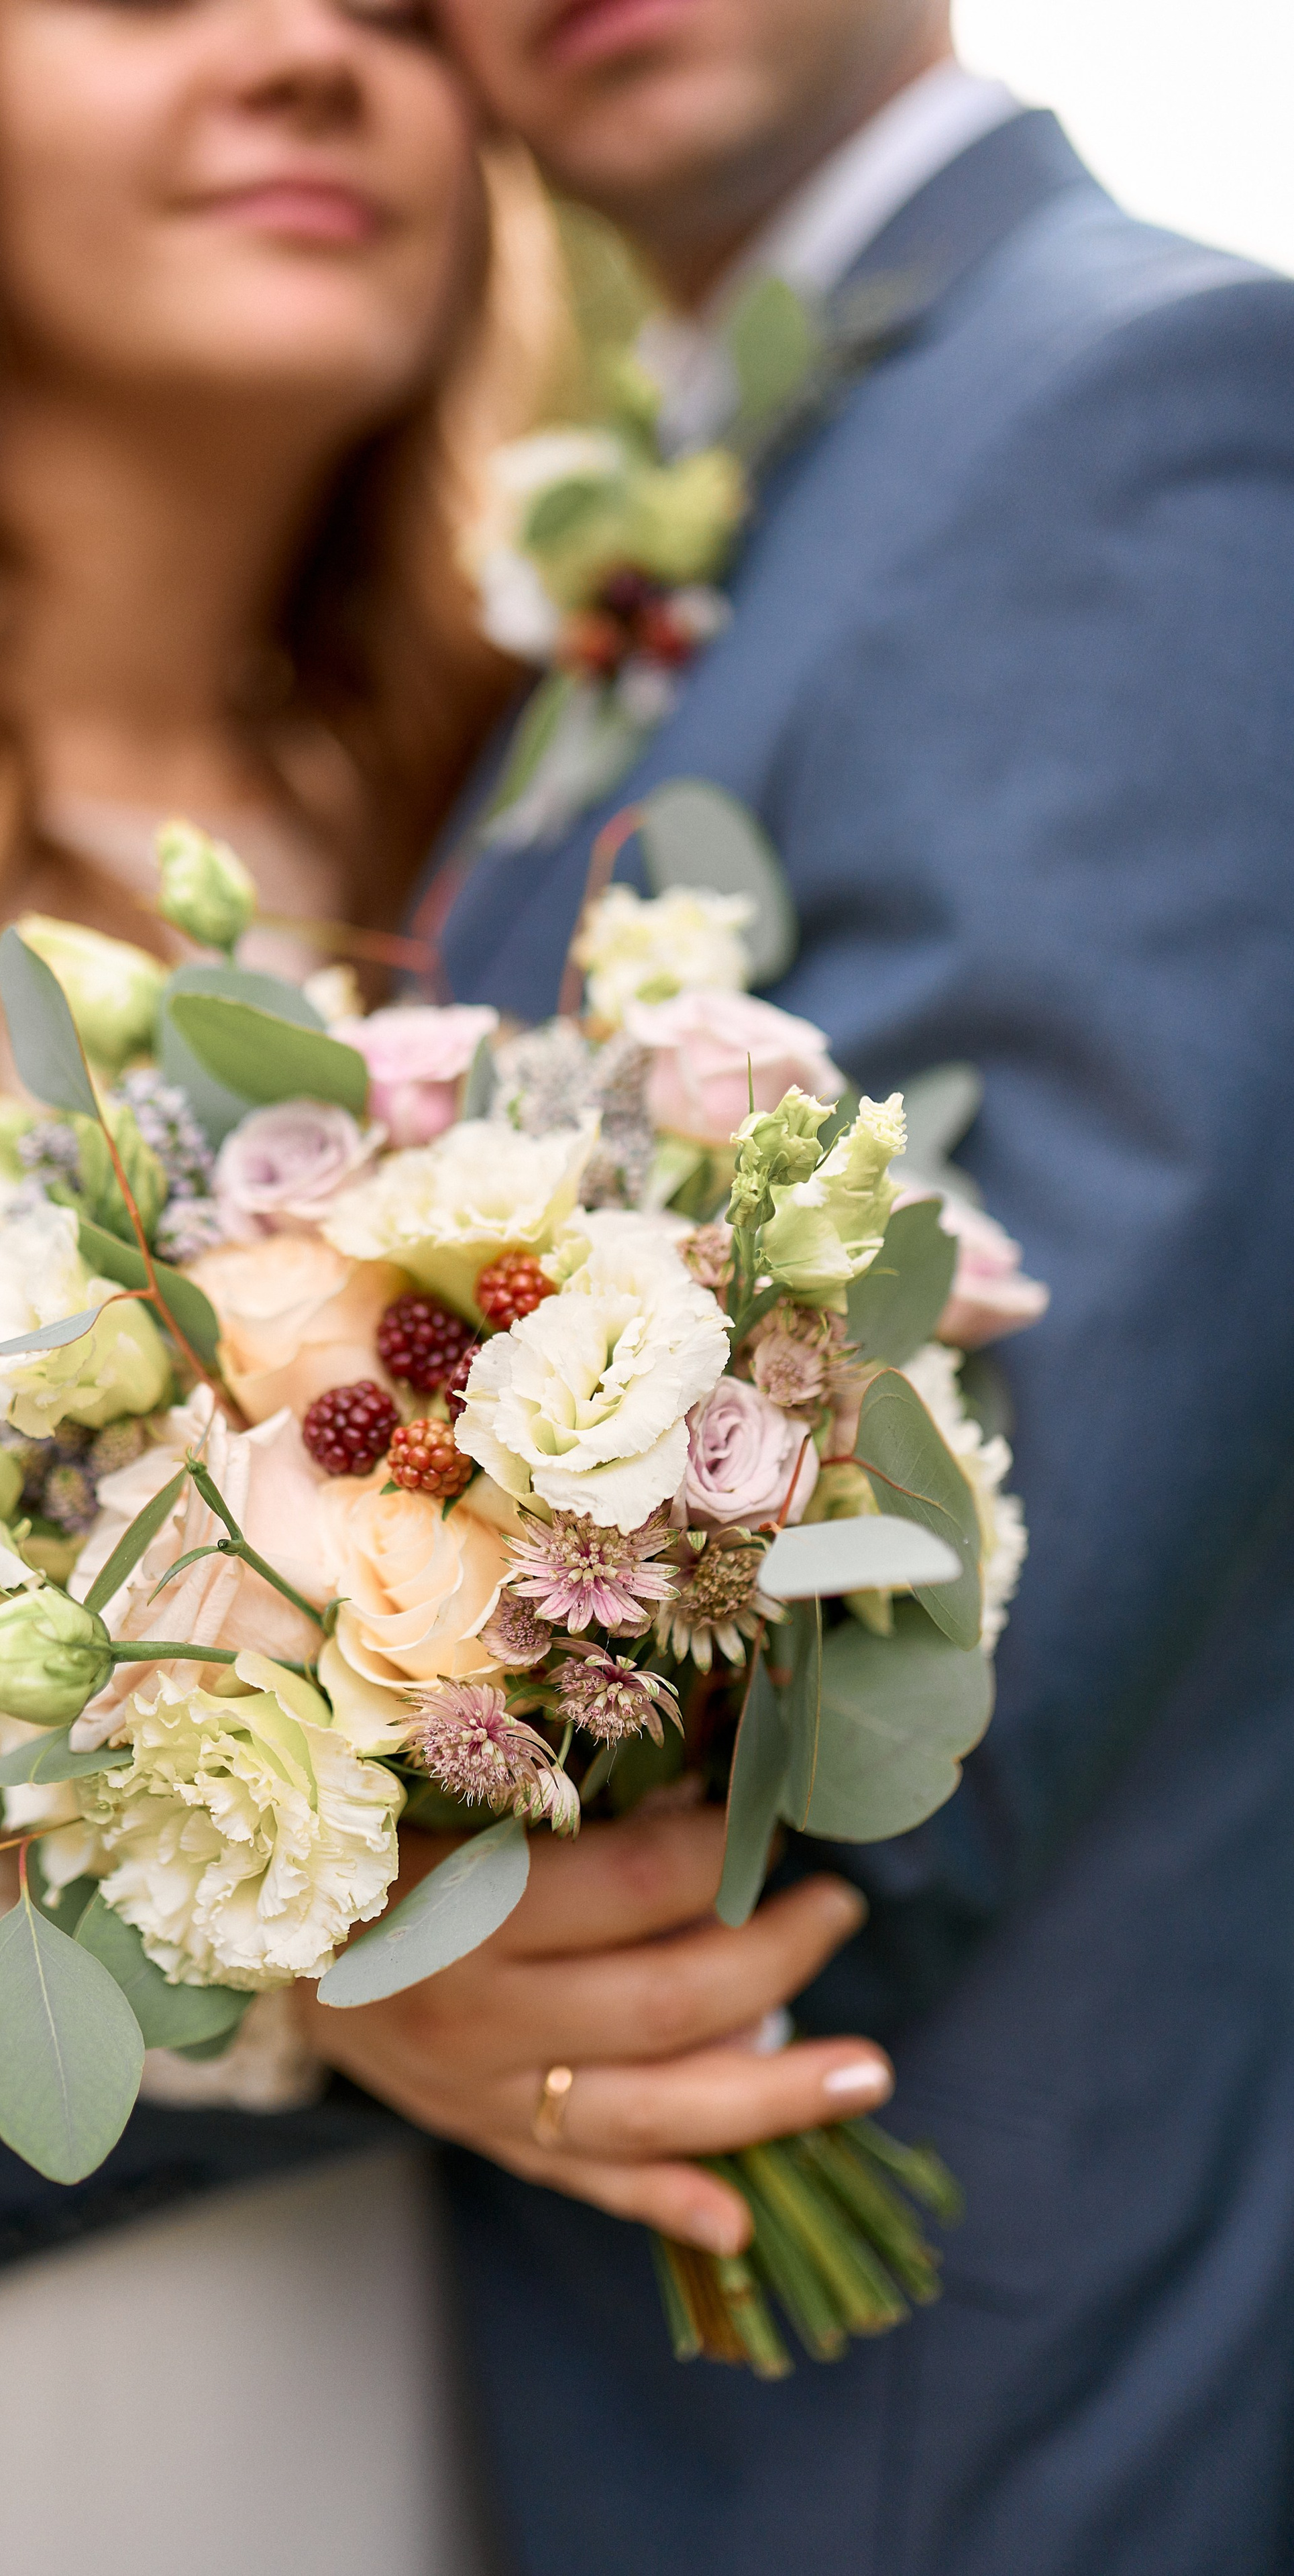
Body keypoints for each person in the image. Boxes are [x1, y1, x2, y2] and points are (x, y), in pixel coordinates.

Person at [0, 1, 889, 2565]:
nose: (312, 53)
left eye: (404, 13)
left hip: (429, 2376)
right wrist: (279, 1952)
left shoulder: (497, 843)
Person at [301, 2, 1294, 2569]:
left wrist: (329, 1931)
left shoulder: (1135, 394)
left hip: (929, 2376)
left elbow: (1001, 1578)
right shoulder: (712, 491)